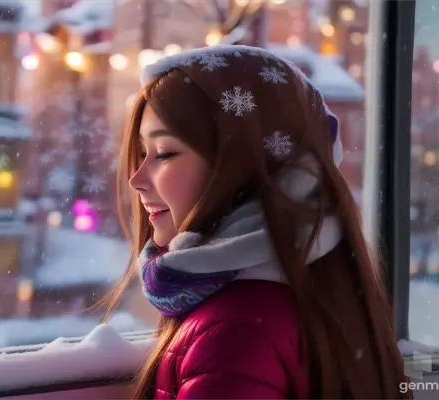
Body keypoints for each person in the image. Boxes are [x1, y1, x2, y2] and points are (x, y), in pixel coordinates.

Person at [104, 45, 410, 399]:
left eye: (165, 153)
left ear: (242, 165)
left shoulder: (236, 329)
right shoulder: (307, 291)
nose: (136, 179)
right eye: (142, 154)